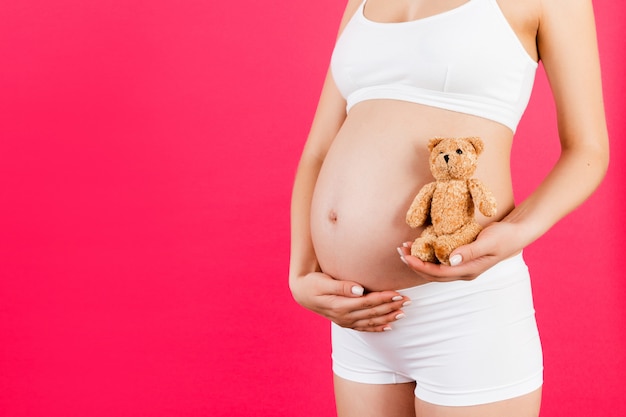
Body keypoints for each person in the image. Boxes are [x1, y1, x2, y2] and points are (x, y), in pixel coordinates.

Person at [289, 0, 609, 415]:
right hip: (359, 322)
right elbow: (318, 150)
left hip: (463, 312)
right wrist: (301, 271)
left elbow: (588, 149)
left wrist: (517, 231)